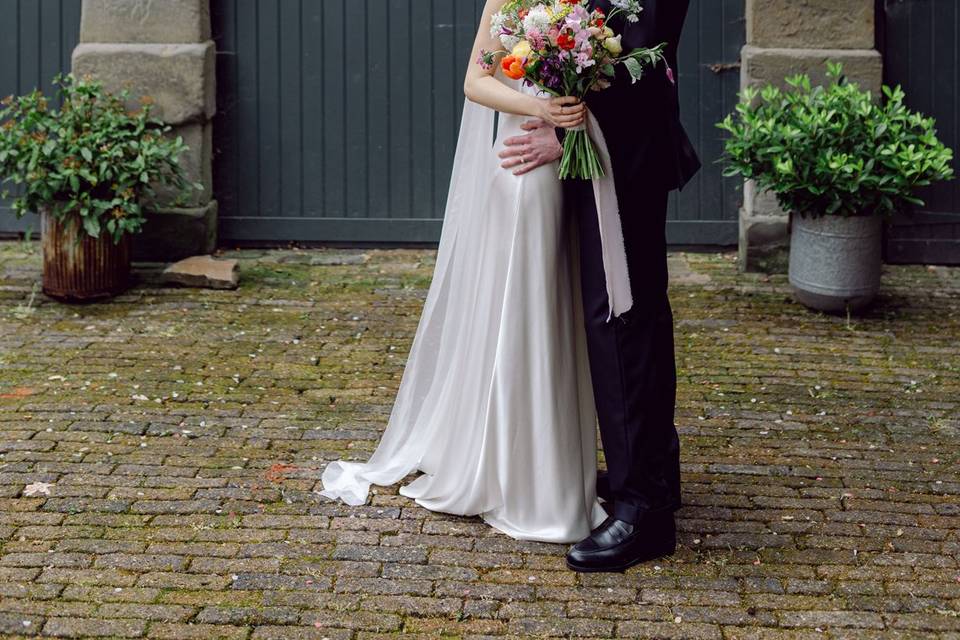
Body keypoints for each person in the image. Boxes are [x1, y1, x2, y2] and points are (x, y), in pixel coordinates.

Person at [320, 0, 609, 544]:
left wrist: (576, 116)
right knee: (520, 310)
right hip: (523, 163)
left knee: (554, 309)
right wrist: (544, 109)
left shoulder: (589, 6)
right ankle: (518, 474)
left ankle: (553, 470)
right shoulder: (508, 0)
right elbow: (476, 82)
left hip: (565, 160)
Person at [499, 0, 701, 572]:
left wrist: (566, 139)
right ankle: (653, 473)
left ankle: (646, 513)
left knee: (619, 316)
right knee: (638, 313)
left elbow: (639, 55)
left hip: (623, 152)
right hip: (621, 148)